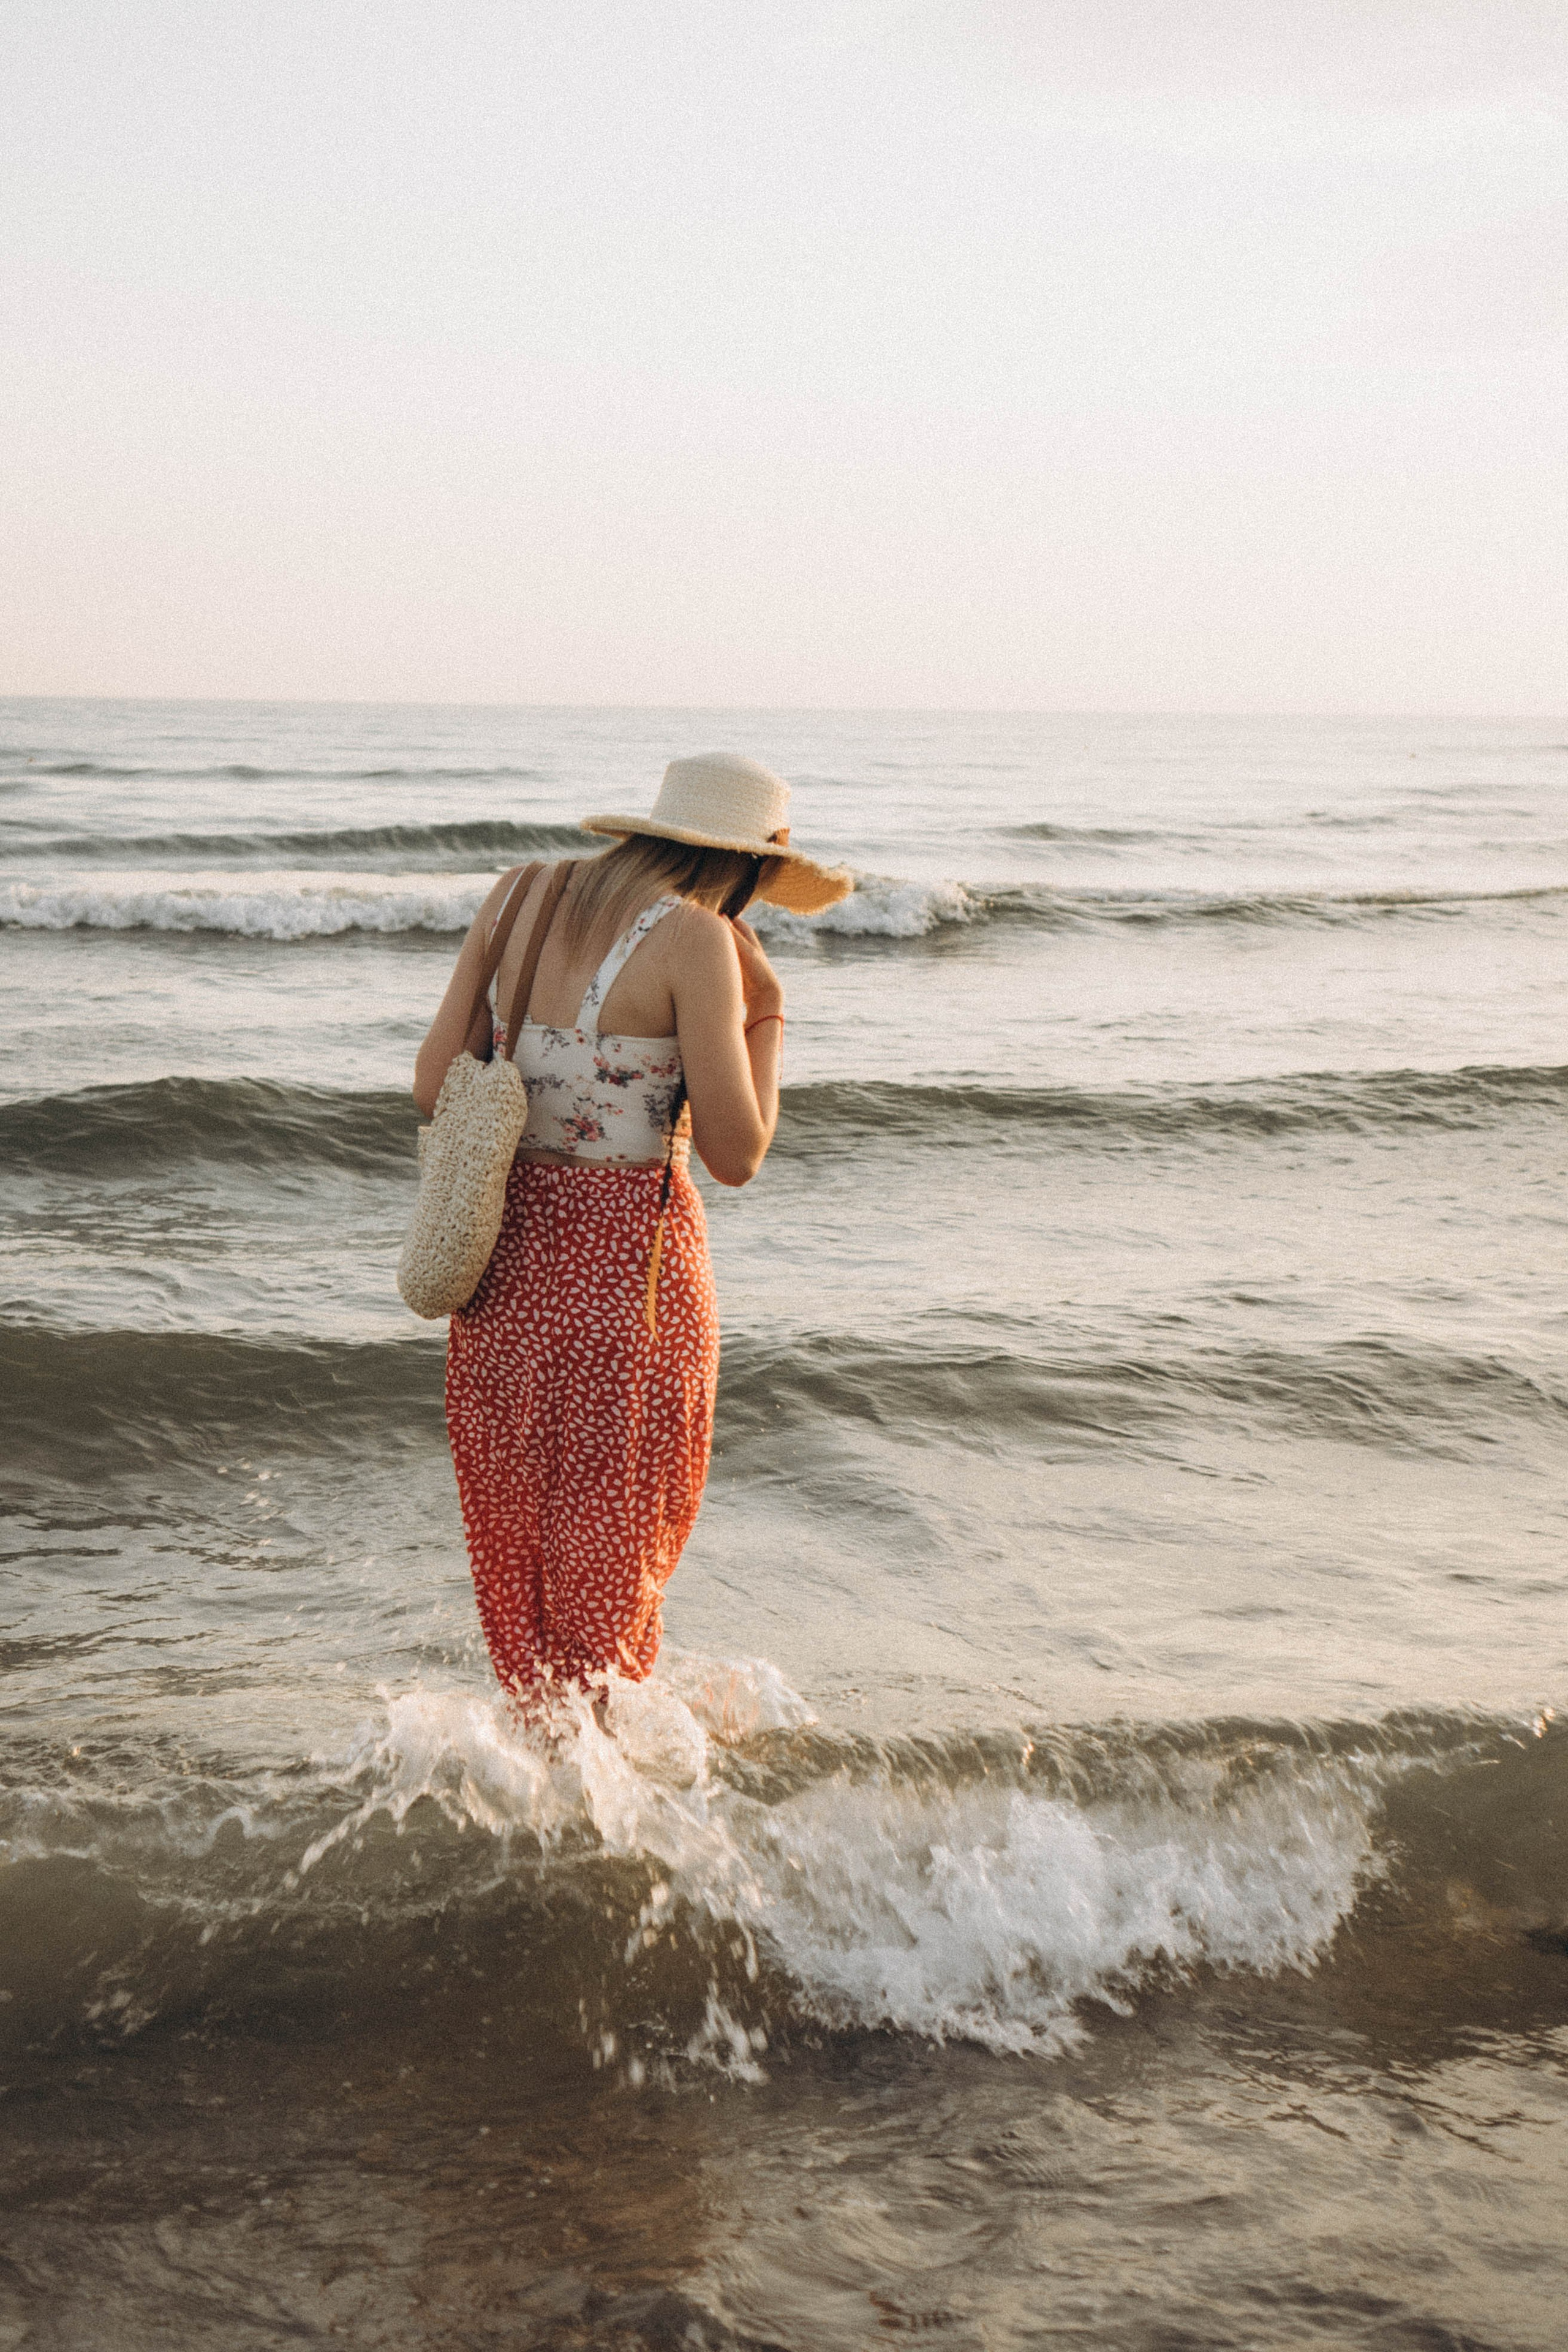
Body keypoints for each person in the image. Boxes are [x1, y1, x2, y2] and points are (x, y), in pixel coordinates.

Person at [412, 753, 851, 1705]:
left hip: (504, 1277)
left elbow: (433, 1082)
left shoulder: (518, 894)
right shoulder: (698, 940)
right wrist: (768, 1013)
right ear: (747, 864)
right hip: (630, 1285)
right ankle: (610, 1771)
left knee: (520, 1549)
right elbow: (737, 1153)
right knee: (617, 1550)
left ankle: (538, 1760)